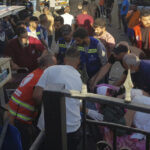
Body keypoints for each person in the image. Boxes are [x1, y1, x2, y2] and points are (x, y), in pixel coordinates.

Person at [33, 47, 82, 150]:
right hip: (72, 129)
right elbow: (78, 104)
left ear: (64, 59)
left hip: (47, 127)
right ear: (78, 62)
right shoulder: (79, 79)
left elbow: (36, 96)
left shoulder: (50, 70)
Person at [6, 54, 56, 150]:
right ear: (48, 66)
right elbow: (37, 97)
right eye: (54, 66)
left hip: (12, 112)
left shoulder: (35, 72)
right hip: (20, 118)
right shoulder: (42, 76)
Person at [96, 85, 150, 150]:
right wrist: (131, 109)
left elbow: (142, 93)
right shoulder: (108, 111)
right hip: (139, 122)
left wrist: (122, 96)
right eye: (108, 91)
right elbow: (122, 128)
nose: (112, 92)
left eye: (111, 90)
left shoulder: (128, 96)